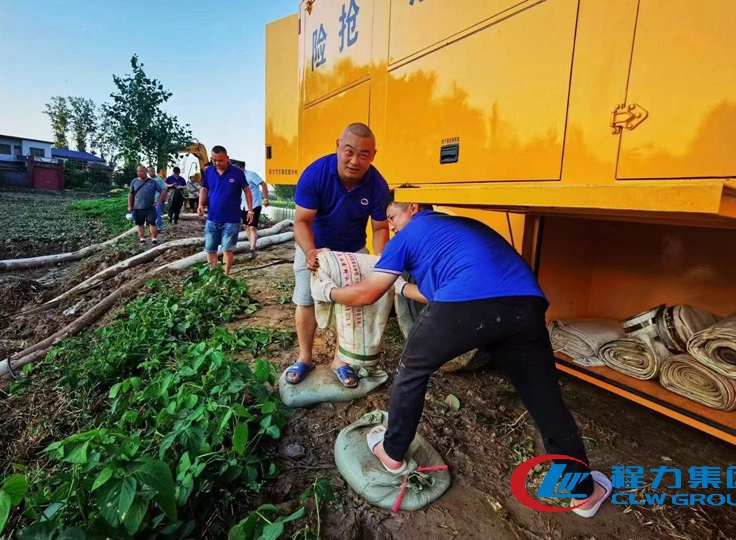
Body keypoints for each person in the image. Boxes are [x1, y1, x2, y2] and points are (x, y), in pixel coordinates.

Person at [310, 199, 612, 518]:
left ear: (413, 207)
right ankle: (582, 493)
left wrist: (327, 292)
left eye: (392, 216)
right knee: (544, 399)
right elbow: (432, 294)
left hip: (467, 301)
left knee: (412, 368)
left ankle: (392, 453)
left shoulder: (408, 236)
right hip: (525, 304)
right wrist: (400, 289)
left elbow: (365, 294)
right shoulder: (458, 229)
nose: (392, 225)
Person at [285, 122, 390, 388]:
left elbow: (379, 227)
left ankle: (340, 361)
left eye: (364, 154)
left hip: (353, 250)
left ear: (373, 155)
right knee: (306, 301)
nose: (355, 161)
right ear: (337, 147)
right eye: (349, 151)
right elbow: (301, 222)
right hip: (314, 246)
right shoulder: (315, 174)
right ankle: (305, 358)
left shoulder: (377, 184)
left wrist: (382, 260)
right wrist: (310, 252)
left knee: (352, 306)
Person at [198, 146, 253, 276]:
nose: (217, 163)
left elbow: (247, 190)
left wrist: (250, 211)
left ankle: (225, 276)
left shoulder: (237, 173)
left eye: (220, 160)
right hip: (212, 218)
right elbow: (204, 189)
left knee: (227, 250)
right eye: (214, 160)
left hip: (231, 220)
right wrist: (200, 204)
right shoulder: (209, 172)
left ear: (227, 158)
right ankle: (213, 276)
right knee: (210, 249)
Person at [127, 165, 167, 246]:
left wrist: (158, 202)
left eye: (141, 171)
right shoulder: (134, 181)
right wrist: (130, 205)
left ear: (145, 172)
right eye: (138, 171)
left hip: (150, 207)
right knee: (140, 223)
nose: (139, 173)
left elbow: (162, 192)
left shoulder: (153, 182)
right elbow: (130, 194)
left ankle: (154, 240)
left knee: (152, 223)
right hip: (137, 207)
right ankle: (142, 239)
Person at [236, 162, 269, 259]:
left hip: (254, 204)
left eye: (236, 167)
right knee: (246, 226)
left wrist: (265, 198)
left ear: (241, 167)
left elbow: (263, 184)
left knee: (252, 227)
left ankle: (252, 248)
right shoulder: (237, 177)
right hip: (243, 205)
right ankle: (252, 244)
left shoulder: (251, 175)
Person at [148, 166, 166, 233]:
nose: (150, 173)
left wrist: (161, 200)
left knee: (158, 214)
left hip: (158, 200)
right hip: (150, 201)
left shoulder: (159, 179)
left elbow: (164, 190)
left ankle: (159, 227)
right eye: (149, 171)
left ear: (154, 171)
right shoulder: (148, 180)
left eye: (151, 171)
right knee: (151, 215)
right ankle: (153, 227)